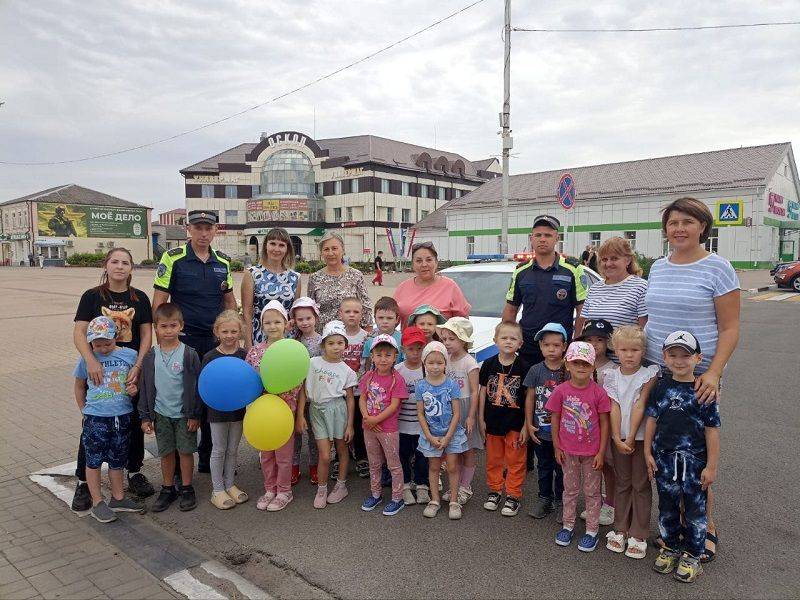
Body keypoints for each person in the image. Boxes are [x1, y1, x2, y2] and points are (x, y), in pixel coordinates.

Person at [644, 197, 739, 562]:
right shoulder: (658, 267)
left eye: (688, 221)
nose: (679, 228)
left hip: (698, 377)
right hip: (657, 372)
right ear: (665, 230)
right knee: (662, 451)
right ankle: (672, 525)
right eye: (673, 223)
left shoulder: (718, 268)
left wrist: (713, 372)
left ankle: (705, 525)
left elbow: (730, 328)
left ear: (703, 227)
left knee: (695, 454)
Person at [152, 209, 236, 473]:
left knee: (214, 397)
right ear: (189, 229)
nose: (203, 233)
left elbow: (229, 302)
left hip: (214, 343)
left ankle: (209, 458)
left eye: (207, 228)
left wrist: (234, 333)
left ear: (215, 230)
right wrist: (162, 341)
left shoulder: (223, 262)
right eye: (197, 227)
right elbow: (159, 302)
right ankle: (177, 464)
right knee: (181, 397)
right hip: (183, 342)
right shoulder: (173, 258)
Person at [71, 248, 154, 512]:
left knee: (131, 422)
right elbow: (79, 332)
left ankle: (133, 472)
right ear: (106, 265)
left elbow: (146, 334)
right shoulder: (92, 296)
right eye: (115, 261)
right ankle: (84, 482)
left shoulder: (139, 298)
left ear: (132, 268)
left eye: (125, 262)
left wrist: (139, 366)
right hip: (99, 368)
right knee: (93, 428)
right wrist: (91, 360)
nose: (120, 266)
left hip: (128, 366)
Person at [645, 331, 720, 583]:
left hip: (694, 462)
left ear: (697, 358)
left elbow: (712, 431)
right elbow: (652, 420)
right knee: (666, 506)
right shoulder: (660, 387)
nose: (679, 360)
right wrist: (647, 452)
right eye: (673, 355)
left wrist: (711, 466)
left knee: (694, 510)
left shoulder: (704, 391)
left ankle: (692, 555)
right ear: (664, 357)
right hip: (664, 460)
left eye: (685, 355)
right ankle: (671, 547)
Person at [72, 317, 145, 522]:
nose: (103, 349)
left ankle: (118, 497)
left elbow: (135, 382)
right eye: (97, 344)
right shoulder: (87, 359)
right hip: (96, 417)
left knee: (117, 459)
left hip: (121, 416)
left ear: (116, 337)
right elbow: (79, 385)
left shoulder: (130, 355)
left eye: (107, 343)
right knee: (93, 460)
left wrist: (134, 389)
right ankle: (97, 502)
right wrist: (83, 410)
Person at [548, 341, 611, 553]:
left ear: (593, 366)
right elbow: (555, 419)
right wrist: (557, 447)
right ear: (567, 364)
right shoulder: (560, 391)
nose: (581, 367)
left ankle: (592, 530)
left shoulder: (599, 393)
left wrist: (601, 452)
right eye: (576, 363)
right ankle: (568, 525)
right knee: (570, 490)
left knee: (593, 492)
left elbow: (604, 423)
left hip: (592, 453)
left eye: (586, 363)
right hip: (568, 451)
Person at [138, 303, 202, 513]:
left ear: (181, 326)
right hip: (161, 414)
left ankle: (186, 487)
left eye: (173, 325)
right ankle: (167, 488)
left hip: (184, 415)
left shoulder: (189, 354)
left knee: (185, 452)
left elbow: (196, 387)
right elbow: (146, 388)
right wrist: (145, 416)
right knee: (166, 453)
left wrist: (194, 414)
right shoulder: (150, 357)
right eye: (163, 326)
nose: (168, 331)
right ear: (156, 328)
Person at [603, 326, 659, 559]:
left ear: (643, 351)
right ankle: (620, 528)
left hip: (640, 438)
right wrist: (616, 437)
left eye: (635, 350)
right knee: (622, 482)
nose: (629, 355)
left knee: (641, 484)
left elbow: (640, 404)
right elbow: (613, 406)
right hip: (620, 439)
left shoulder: (648, 374)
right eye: (624, 349)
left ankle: (639, 533)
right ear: (615, 350)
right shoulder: (611, 375)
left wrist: (630, 436)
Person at [502, 215, 587, 366]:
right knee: (528, 389)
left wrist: (576, 342)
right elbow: (510, 310)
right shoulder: (521, 271)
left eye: (548, 235)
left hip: (560, 348)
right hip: (528, 347)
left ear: (557, 238)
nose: (542, 239)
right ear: (531, 238)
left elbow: (583, 311)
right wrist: (507, 343)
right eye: (538, 235)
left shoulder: (573, 269)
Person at [246, 300, 301, 512]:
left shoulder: (293, 350)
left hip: (285, 409)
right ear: (262, 325)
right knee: (266, 453)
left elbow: (299, 383)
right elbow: (250, 382)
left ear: (286, 323)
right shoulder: (255, 352)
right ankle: (270, 488)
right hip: (262, 410)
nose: (272, 326)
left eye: (277, 321)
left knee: (284, 455)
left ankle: (284, 491)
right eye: (267, 322)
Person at [297, 320, 357, 509]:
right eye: (331, 343)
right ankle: (322, 489)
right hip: (317, 411)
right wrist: (300, 415)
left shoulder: (347, 371)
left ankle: (341, 486)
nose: (336, 347)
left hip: (338, 410)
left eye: (340, 343)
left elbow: (349, 399)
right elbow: (303, 391)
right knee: (324, 455)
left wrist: (350, 425)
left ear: (345, 345)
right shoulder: (312, 363)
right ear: (323, 345)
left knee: (341, 448)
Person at [478, 322, 530, 517]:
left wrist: (526, 424)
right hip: (492, 421)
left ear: (520, 343)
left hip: (515, 423)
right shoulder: (489, 364)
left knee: (516, 460)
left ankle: (513, 495)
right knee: (494, 459)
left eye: (513, 338)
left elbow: (528, 398)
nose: (508, 341)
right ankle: (495, 490)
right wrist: (480, 418)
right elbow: (482, 392)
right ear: (495, 341)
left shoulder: (524, 366)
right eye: (504, 338)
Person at [200, 310, 248, 510]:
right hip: (216, 411)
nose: (229, 335)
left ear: (240, 332)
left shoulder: (244, 355)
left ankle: (230, 484)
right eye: (225, 331)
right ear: (217, 332)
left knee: (232, 449)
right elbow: (204, 385)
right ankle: (217, 489)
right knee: (218, 449)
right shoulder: (210, 356)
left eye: (234, 331)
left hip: (238, 410)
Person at [416, 341, 468, 520]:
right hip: (430, 434)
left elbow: (456, 414)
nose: (435, 366)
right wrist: (429, 436)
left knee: (452, 466)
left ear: (446, 363)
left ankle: (454, 501)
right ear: (424, 363)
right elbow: (421, 414)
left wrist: (447, 437)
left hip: (451, 434)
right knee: (434, 466)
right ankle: (435, 500)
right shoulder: (420, 386)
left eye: (440, 362)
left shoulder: (452, 385)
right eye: (431, 362)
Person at [358, 334, 408, 516]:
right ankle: (376, 494)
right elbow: (362, 399)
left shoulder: (397, 379)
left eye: (388, 355)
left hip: (388, 430)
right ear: (372, 356)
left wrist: (375, 419)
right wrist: (366, 417)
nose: (383, 359)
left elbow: (394, 405)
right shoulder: (368, 377)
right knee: (374, 463)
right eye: (379, 354)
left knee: (393, 464)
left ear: (396, 356)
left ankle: (397, 498)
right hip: (368, 428)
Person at [574, 237, 648, 357]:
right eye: (604, 259)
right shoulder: (594, 289)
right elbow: (583, 327)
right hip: (594, 366)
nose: (608, 264)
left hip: (624, 367)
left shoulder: (640, 287)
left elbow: (644, 331)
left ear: (628, 260)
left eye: (614, 258)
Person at [523, 323, 568, 520]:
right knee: (543, 466)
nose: (551, 349)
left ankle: (561, 501)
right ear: (540, 346)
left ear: (564, 346)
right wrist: (528, 423)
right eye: (547, 345)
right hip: (540, 429)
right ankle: (544, 498)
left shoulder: (568, 371)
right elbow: (530, 397)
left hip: (563, 433)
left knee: (562, 468)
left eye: (556, 345)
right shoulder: (535, 370)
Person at [438, 317, 481, 505]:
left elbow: (474, 391)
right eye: (444, 339)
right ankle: (455, 485)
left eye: (451, 339)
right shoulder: (444, 359)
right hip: (449, 408)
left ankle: (465, 486)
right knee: (453, 448)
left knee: (468, 449)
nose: (447, 343)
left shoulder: (470, 363)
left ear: (463, 340)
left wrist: (471, 416)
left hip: (465, 408)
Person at [242, 227, 301, 349]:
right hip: (259, 336)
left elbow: (294, 313)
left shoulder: (295, 277)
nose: (276, 249)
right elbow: (247, 312)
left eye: (281, 245)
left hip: (286, 337)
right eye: (272, 244)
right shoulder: (252, 274)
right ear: (265, 246)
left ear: (287, 249)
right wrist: (248, 342)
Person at [394, 241, 470, 327]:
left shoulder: (450, 286)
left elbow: (463, 323)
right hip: (408, 340)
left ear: (436, 262)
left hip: (442, 340)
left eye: (429, 260)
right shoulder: (402, 288)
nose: (424, 264)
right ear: (412, 265)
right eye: (419, 261)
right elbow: (391, 320)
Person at [307, 232, 373, 330]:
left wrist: (367, 334)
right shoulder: (314, 278)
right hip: (324, 337)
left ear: (343, 250)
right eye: (326, 249)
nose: (330, 253)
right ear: (321, 253)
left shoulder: (356, 275)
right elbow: (310, 310)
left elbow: (366, 307)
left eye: (334, 248)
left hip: (351, 336)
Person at [394, 326, 429, 506]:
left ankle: (422, 485)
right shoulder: (397, 370)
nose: (415, 353)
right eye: (410, 349)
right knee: (402, 456)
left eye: (419, 348)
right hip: (401, 425)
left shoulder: (429, 370)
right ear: (403, 349)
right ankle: (405, 485)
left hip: (422, 425)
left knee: (423, 456)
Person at [289, 296, 322, 485]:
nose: (305, 322)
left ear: (315, 317)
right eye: (300, 319)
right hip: (295, 395)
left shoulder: (322, 341)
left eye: (308, 318)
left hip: (315, 396)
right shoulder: (293, 341)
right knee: (295, 434)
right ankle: (293, 467)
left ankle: (314, 467)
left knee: (314, 434)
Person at [339, 297, 369, 479]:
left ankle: (361, 456)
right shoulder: (336, 336)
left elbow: (367, 364)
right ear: (340, 314)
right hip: (339, 391)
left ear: (362, 314)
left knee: (359, 424)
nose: (352, 315)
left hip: (359, 390)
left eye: (356, 312)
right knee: (341, 425)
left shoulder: (366, 337)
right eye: (348, 311)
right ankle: (341, 456)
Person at [362, 296, 403, 372]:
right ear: (375, 318)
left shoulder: (402, 339)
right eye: (381, 317)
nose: (385, 321)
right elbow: (367, 363)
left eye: (389, 318)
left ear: (397, 319)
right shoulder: (369, 339)